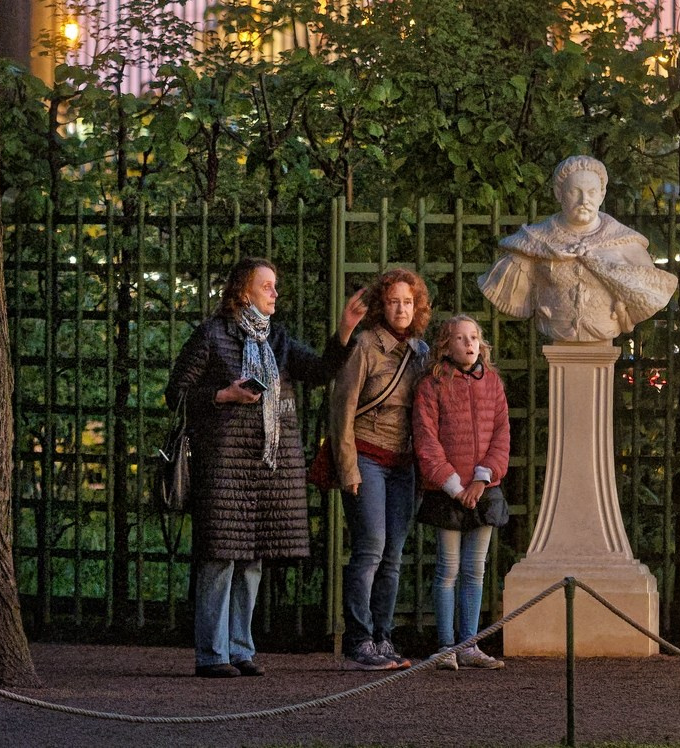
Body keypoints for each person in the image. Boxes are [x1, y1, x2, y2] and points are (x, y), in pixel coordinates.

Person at [166, 257, 366, 678]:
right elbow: (177, 394)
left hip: (267, 466)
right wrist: (223, 395)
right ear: (243, 291)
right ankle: (212, 654)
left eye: (275, 286)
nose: (275, 293)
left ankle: (241, 648)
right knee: (220, 558)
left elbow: (320, 371)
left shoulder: (278, 338)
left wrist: (346, 328)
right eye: (267, 286)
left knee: (253, 558)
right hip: (223, 463)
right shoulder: (211, 334)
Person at [329, 267, 431, 670]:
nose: (401, 309)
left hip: (403, 465)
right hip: (367, 458)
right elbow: (343, 410)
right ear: (381, 305)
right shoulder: (365, 346)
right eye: (393, 301)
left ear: (417, 306)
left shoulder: (421, 352)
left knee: (393, 556)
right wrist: (347, 468)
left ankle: (383, 638)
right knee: (370, 549)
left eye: (408, 302)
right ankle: (358, 640)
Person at [478, 155, 678, 342]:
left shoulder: (625, 243)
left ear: (602, 195)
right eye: (575, 192)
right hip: (556, 332)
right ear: (559, 193)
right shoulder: (532, 242)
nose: (584, 201)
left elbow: (650, 292)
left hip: (604, 334)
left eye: (591, 192)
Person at [413, 315, 510, 670]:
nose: (469, 344)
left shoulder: (493, 382)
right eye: (460, 338)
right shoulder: (431, 386)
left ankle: (469, 644)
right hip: (448, 492)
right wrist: (455, 486)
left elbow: (501, 434)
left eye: (474, 337)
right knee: (448, 569)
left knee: (475, 570)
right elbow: (427, 441)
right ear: (445, 345)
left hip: (484, 490)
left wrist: (482, 479)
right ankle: (446, 646)